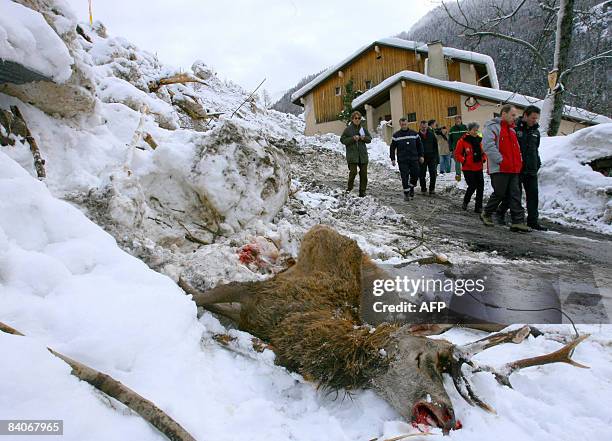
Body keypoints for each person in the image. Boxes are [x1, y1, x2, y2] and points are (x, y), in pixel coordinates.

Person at [480, 104, 530, 232]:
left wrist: (519, 161)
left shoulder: (512, 130)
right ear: (504, 114)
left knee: (515, 194)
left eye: (515, 115)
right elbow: (488, 146)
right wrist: (501, 160)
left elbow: (516, 149)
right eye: (513, 115)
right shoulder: (492, 127)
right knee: (500, 193)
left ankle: (517, 222)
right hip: (500, 168)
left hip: (513, 168)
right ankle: (487, 213)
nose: (515, 118)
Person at [496, 106, 547, 230]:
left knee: (533, 196)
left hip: (531, 169)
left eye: (536, 118)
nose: (534, 120)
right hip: (517, 169)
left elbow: (536, 149)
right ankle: (500, 214)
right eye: (532, 118)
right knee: (513, 195)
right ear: (525, 116)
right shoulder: (514, 128)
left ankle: (533, 221)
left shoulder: (536, 132)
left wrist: (537, 163)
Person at [454, 122, 487, 212]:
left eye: (477, 130)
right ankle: (466, 201)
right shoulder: (463, 140)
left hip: (478, 167)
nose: (476, 132)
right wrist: (464, 160)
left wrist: (483, 158)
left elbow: (483, 152)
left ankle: (478, 207)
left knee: (481, 187)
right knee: (472, 186)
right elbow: (457, 154)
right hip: (468, 168)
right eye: (474, 130)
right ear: (469, 130)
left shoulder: (480, 140)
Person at [390, 117, 424, 201]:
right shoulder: (396, 135)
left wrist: (421, 156)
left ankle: (411, 187)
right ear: (400, 124)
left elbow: (420, 146)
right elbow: (392, 148)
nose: (404, 126)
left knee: (415, 174)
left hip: (414, 159)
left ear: (407, 124)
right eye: (402, 124)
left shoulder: (414, 134)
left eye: (405, 124)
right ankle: (406, 193)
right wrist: (393, 158)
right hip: (403, 160)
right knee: (404, 176)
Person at [340, 111, 372, 197]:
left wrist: (363, 138)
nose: (357, 120)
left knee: (364, 174)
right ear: (352, 119)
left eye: (359, 118)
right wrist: (353, 139)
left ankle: (362, 192)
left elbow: (369, 139)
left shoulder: (363, 129)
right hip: (352, 156)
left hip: (362, 156)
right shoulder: (348, 129)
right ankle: (349, 188)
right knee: (353, 172)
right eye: (355, 118)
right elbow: (342, 140)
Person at [418, 120, 439, 195]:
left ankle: (432, 189)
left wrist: (437, 158)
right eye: (422, 125)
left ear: (427, 126)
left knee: (433, 173)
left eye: (425, 125)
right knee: (422, 174)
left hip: (431, 157)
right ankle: (423, 189)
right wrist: (418, 157)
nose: (424, 127)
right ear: (420, 126)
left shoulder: (431, 134)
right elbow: (415, 147)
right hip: (421, 158)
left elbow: (435, 146)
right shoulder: (417, 136)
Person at [448, 115, 468, 182]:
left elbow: (468, 137)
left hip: (464, 148)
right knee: (457, 162)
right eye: (456, 120)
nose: (457, 121)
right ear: (455, 121)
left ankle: (466, 174)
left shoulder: (465, 127)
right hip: (455, 148)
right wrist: (450, 148)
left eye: (459, 120)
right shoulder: (452, 129)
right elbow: (450, 140)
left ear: (461, 120)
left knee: (465, 161)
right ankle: (458, 175)